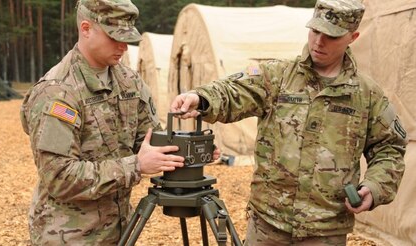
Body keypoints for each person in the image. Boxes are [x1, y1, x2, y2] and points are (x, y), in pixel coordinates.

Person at [170, 0, 408, 245]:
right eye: (315, 31)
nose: (318, 42)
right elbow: (233, 90)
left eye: (331, 36)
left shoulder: (367, 94)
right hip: (267, 225)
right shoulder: (276, 76)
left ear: (353, 37)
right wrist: (200, 97)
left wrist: (376, 186)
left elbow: (390, 148)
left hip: (326, 231)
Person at [20, 0, 187, 244]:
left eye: (127, 37)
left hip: (119, 231)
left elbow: (149, 139)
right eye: (114, 37)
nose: (124, 47)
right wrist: (135, 166)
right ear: (86, 29)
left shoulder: (130, 82)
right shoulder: (57, 92)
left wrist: (189, 150)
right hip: (69, 236)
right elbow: (59, 177)